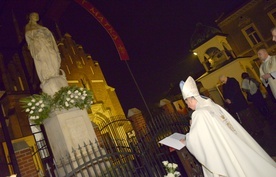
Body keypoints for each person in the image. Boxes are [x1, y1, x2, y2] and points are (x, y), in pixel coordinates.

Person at [179, 76, 276, 177]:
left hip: (223, 153)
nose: (188, 106)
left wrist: (187, 140)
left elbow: (198, 141)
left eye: (187, 102)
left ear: (191, 99)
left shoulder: (199, 114)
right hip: (234, 145)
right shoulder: (213, 106)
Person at [25, 12, 61, 84]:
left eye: (37, 15)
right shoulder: (28, 27)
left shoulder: (41, 27)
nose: (36, 16)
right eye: (34, 15)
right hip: (39, 46)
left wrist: (45, 32)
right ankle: (47, 77)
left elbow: (50, 36)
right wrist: (37, 33)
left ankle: (55, 74)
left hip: (47, 44)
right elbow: (28, 36)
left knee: (54, 57)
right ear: (30, 17)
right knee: (43, 60)